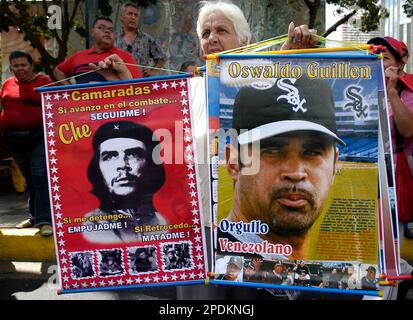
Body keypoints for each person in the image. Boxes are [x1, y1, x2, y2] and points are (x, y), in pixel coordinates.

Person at [218, 75, 344, 261]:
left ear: (333, 166)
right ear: (234, 163)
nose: (296, 173)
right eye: (272, 151)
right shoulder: (212, 271)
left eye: (313, 152)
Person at [367, 36, 413, 296]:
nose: (377, 63)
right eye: (372, 57)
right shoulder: (360, 87)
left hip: (393, 181)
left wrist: (392, 91)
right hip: (365, 179)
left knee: (388, 250)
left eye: (383, 58)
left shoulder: (407, 90)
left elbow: (408, 129)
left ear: (400, 62)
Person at [83, 121, 168, 243]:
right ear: (97, 168)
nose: (122, 165)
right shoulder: (89, 228)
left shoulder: (163, 223)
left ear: (151, 164)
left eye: (133, 154)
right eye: (110, 157)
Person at [0, 50, 53, 236]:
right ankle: (34, 216)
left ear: (31, 66)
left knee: (40, 177)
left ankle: (45, 221)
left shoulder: (43, 81)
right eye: (16, 66)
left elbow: (55, 105)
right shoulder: (7, 84)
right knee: (29, 179)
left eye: (23, 65)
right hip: (13, 139)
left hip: (38, 136)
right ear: (11, 67)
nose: (20, 69)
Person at [54, 16, 142, 84]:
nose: (107, 31)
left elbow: (138, 87)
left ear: (115, 35)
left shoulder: (124, 57)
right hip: (84, 106)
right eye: (101, 27)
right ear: (92, 31)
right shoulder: (78, 57)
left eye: (111, 30)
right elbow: (58, 71)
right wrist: (70, 91)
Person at [116, 2, 166, 77]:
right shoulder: (114, 38)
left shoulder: (146, 38)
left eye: (136, 15)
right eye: (130, 14)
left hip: (141, 84)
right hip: (119, 83)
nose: (133, 17)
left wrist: (152, 71)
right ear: (122, 17)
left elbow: (162, 58)